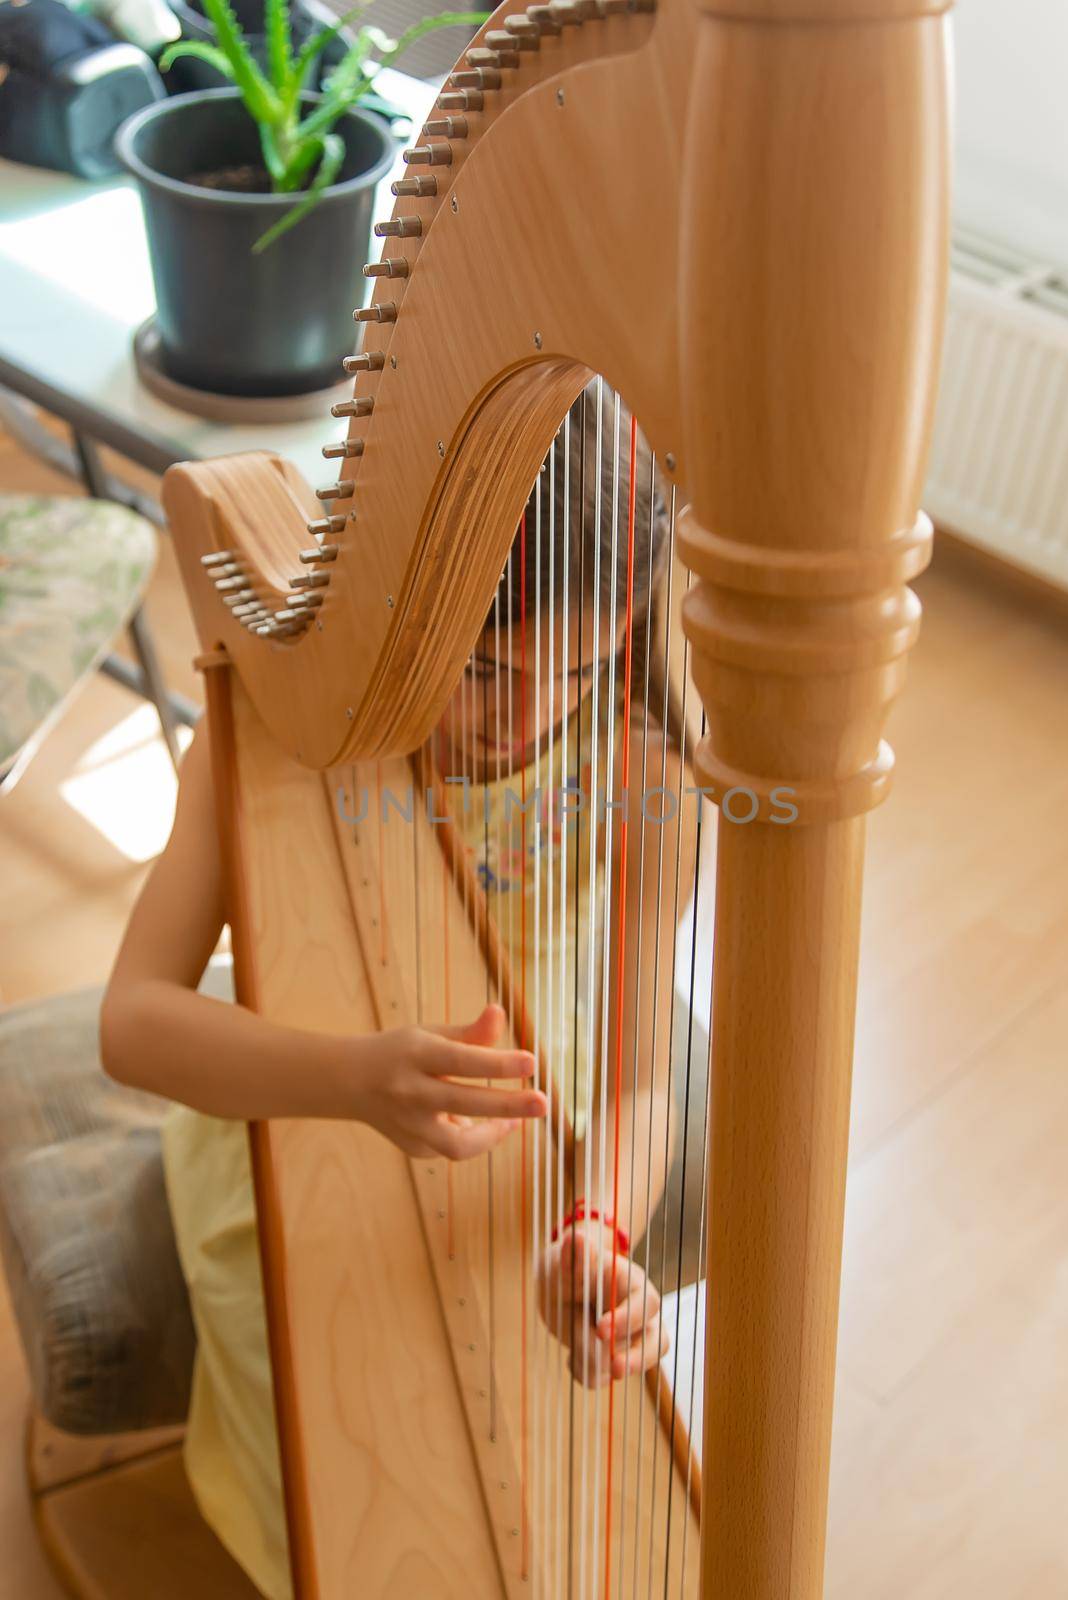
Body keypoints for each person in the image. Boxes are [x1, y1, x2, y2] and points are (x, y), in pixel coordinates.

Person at [101, 381, 694, 1600]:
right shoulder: (276, 720)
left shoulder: (641, 766)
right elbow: (133, 1022)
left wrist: (592, 1229)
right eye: (482, 666)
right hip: (291, 1099)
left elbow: (636, 1071)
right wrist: (349, 1078)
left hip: (530, 1143)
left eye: (574, 670)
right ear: (397, 596)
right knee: (316, 1430)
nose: (523, 719)